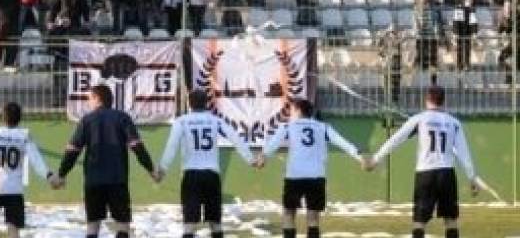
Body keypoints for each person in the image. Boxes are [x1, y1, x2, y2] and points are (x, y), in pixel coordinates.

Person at [365, 86, 478, 238]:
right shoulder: (454, 122)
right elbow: (464, 152)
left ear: (427, 99)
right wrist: (472, 177)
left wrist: (376, 159)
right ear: (443, 101)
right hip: (446, 174)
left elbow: (396, 139)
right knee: (451, 220)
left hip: (426, 174)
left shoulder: (419, 119)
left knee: (419, 221)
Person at [54, 85, 157, 238]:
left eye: (89, 98)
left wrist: (61, 174)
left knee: (93, 226)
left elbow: (73, 151)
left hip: (93, 181)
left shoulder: (87, 120)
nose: (88, 102)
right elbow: (137, 147)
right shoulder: (122, 118)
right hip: (117, 180)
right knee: (122, 225)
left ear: (97, 98)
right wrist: (151, 170)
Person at [156, 90, 260, 238]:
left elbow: (171, 147)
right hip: (211, 175)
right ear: (206, 103)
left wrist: (162, 169)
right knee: (215, 223)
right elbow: (235, 138)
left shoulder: (181, 121)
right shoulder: (215, 120)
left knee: (189, 224)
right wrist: (251, 159)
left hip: (191, 175)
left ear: (189, 103)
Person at [263, 98, 365, 238]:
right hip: (316, 176)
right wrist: (360, 157)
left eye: (291, 110)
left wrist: (263, 157)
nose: (290, 114)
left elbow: (273, 143)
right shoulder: (323, 127)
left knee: (289, 214)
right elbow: (343, 143)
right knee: (313, 218)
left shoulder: (288, 126)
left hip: (295, 176)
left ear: (298, 110)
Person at [0, 102, 56, 238]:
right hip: (14, 190)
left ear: (2, 117)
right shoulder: (25, 135)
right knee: (13, 229)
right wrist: (49, 175)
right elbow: (36, 160)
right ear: (20, 118)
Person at [413, 0, 444, 83]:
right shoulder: (417, 9)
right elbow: (415, 23)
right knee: (421, 59)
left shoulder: (436, 9)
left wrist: (439, 35)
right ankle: (421, 81)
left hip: (432, 38)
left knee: (433, 60)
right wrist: (417, 31)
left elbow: (439, 22)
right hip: (421, 38)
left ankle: (433, 81)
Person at [450, 0, 478, 70]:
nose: (471, 1)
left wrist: (474, 32)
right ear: (465, 0)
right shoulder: (459, 9)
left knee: (467, 49)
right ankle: (459, 65)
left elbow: (473, 22)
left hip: (468, 32)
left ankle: (467, 64)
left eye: (471, 0)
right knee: (459, 49)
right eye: (469, 0)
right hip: (460, 32)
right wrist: (455, 33)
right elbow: (456, 22)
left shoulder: (472, 10)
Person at [499, 0, 514, 84]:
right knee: (502, 58)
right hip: (508, 42)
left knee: (505, 57)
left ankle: (509, 77)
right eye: (505, 7)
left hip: (513, 42)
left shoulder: (514, 16)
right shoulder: (503, 18)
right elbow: (500, 29)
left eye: (507, 7)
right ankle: (509, 77)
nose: (505, 9)